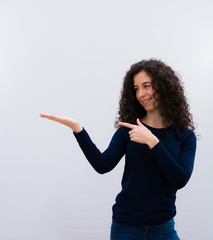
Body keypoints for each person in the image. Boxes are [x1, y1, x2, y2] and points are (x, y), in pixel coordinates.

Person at [40, 59, 197, 240]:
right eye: (136, 88)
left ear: (163, 86)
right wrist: (78, 129)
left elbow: (179, 179)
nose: (141, 94)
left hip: (164, 228)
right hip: (126, 227)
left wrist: (153, 142)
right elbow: (103, 165)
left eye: (146, 86)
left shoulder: (184, 136)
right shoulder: (128, 130)